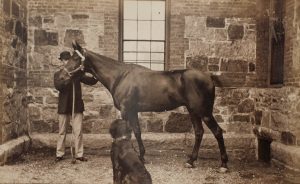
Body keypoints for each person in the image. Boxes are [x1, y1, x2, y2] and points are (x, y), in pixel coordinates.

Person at [53, 51, 98, 162]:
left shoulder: (77, 75)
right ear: (62, 61)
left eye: (68, 60)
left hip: (76, 106)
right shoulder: (58, 75)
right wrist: (69, 77)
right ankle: (59, 153)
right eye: (64, 60)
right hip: (64, 107)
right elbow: (59, 86)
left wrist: (93, 72)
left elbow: (91, 81)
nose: (66, 62)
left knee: (78, 131)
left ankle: (79, 154)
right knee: (62, 131)